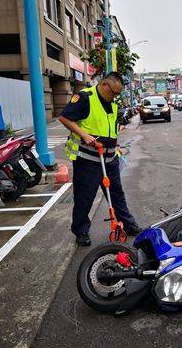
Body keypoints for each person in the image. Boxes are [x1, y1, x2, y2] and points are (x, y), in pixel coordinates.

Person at [59, 72, 142, 246]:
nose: (115, 97)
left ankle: (127, 223)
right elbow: (64, 117)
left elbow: (110, 128)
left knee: (116, 194)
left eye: (118, 94)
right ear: (104, 85)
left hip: (110, 158)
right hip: (88, 160)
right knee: (84, 197)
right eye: (113, 93)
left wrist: (115, 145)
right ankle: (81, 231)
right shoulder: (85, 97)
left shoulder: (112, 103)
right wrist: (85, 135)